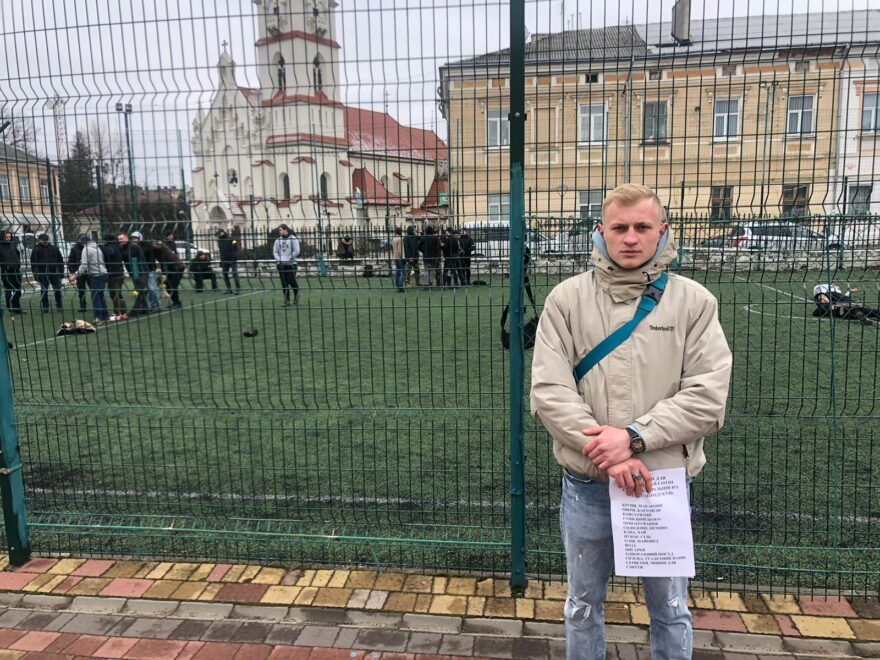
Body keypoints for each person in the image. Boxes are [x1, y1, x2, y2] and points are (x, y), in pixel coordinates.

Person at [530, 184, 732, 660]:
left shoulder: (694, 303)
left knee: (670, 608)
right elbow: (550, 392)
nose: (630, 238)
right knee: (582, 605)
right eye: (619, 227)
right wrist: (611, 454)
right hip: (588, 483)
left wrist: (634, 439)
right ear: (600, 231)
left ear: (663, 231)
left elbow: (708, 397)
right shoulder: (565, 300)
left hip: (659, 482)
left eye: (642, 227)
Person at [73, 234, 109, 323]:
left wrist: (75, 274)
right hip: (103, 272)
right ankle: (105, 315)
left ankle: (99, 316)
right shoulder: (97, 247)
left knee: (96, 296)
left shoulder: (86, 249)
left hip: (96, 274)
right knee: (100, 295)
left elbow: (84, 265)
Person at [812, 283, 879, 325]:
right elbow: (815, 312)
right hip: (843, 312)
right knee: (847, 307)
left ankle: (862, 315)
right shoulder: (823, 307)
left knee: (870, 311)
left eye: (824, 297)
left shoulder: (833, 294)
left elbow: (844, 298)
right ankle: (860, 315)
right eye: (821, 300)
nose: (824, 300)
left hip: (850, 307)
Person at [30, 233, 64, 312]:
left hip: (54, 271)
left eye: (46, 240)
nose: (45, 242)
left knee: (57, 289)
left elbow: (60, 260)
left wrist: (61, 272)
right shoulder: (36, 249)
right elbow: (33, 263)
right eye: (43, 240)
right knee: (44, 290)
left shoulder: (54, 248)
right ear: (39, 240)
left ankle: (59, 305)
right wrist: (36, 274)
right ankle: (45, 307)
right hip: (42, 272)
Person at [119, 233, 149, 317]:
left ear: (126, 238)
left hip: (141, 271)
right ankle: (145, 309)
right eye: (119, 239)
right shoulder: (123, 248)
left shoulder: (133, 247)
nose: (119, 241)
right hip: (133, 272)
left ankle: (135, 310)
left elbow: (139, 259)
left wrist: (140, 271)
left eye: (121, 239)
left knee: (141, 291)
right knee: (140, 290)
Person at [100, 234, 127, 320]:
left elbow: (109, 252)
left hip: (113, 274)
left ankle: (117, 313)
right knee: (118, 294)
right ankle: (124, 312)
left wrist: (101, 246)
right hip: (120, 273)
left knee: (114, 294)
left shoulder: (111, 247)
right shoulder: (118, 246)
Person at [273, 224, 300, 306]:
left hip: (291, 264)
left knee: (292, 282)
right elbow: (275, 252)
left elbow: (297, 250)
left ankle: (296, 294)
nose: (279, 231)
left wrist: (289, 258)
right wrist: (279, 259)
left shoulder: (293, 239)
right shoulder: (278, 240)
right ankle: (286, 300)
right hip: (281, 265)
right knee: (284, 283)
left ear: (286, 230)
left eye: (281, 230)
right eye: (279, 230)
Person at [152, 239, 183, 310]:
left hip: (177, 267)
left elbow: (159, 245)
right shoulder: (156, 251)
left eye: (155, 244)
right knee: (168, 284)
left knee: (173, 285)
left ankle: (177, 303)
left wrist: (152, 245)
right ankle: (175, 302)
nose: (154, 245)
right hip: (170, 268)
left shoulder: (162, 247)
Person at [134, 232, 161, 311]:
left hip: (149, 269)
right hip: (141, 270)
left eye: (136, 238)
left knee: (152, 288)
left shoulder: (146, 245)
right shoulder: (136, 246)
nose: (134, 240)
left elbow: (144, 252)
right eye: (133, 239)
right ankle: (145, 306)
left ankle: (156, 305)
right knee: (143, 289)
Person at [0, 232, 24, 314]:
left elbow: (18, 255)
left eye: (9, 237)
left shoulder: (13, 246)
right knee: (9, 289)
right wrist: (5, 265)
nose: (8, 238)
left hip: (16, 270)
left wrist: (18, 263)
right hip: (6, 271)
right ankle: (10, 308)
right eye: (6, 237)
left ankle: (17, 308)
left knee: (18, 290)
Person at [67, 235, 89, 312]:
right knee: (81, 290)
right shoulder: (74, 249)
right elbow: (71, 260)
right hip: (79, 272)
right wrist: (73, 271)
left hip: (90, 272)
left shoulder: (89, 248)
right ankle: (83, 306)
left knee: (94, 289)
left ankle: (97, 305)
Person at [217, 229, 241, 294]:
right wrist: (221, 261)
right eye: (218, 234)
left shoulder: (231, 239)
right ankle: (229, 288)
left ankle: (238, 288)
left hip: (232, 259)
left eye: (220, 233)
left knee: (234, 274)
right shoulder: (219, 241)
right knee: (225, 274)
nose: (219, 235)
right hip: (224, 260)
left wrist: (234, 257)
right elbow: (221, 251)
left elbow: (236, 248)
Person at [391, 227, 406, 293]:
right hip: (400, 257)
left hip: (395, 257)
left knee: (398, 272)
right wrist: (402, 257)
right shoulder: (400, 239)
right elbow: (400, 250)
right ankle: (400, 286)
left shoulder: (393, 239)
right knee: (403, 272)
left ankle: (397, 285)